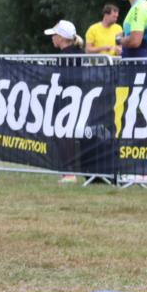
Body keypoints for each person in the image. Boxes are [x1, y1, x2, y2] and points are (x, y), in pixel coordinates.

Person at [44, 20, 83, 184]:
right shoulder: (74, 53)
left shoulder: (68, 55)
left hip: (66, 100)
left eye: (54, 35)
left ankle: (69, 173)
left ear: (61, 37)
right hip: (68, 99)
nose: (52, 38)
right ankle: (67, 172)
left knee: (64, 136)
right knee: (63, 135)